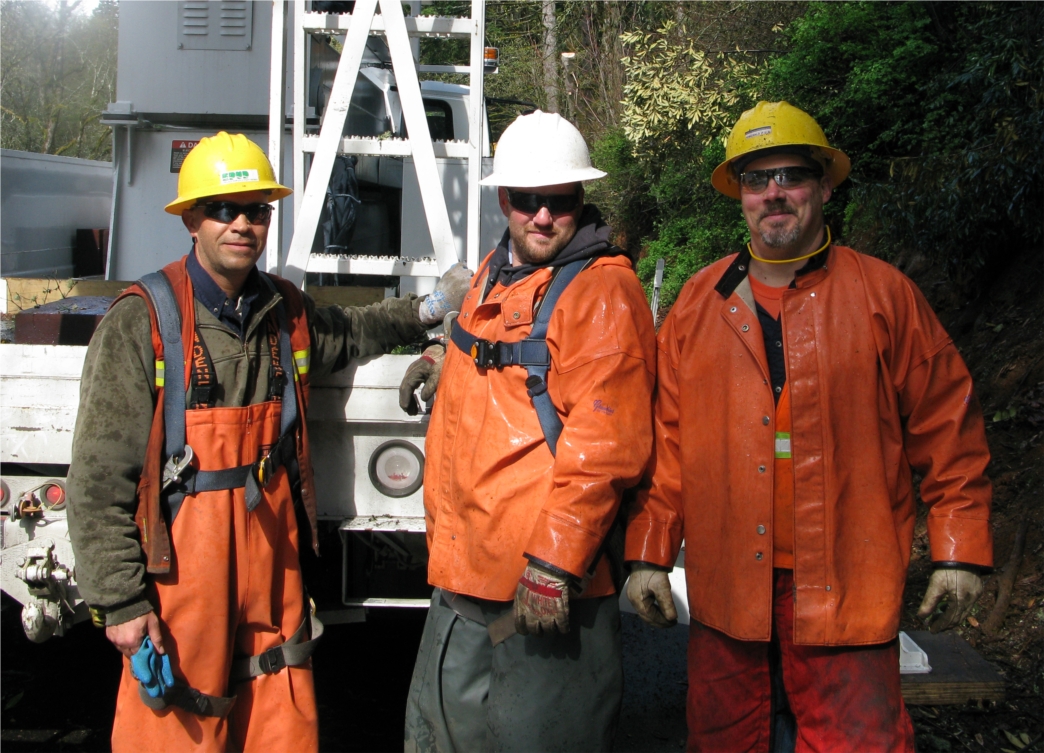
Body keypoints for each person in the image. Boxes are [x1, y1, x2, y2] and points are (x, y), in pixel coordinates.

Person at [66, 132, 468, 752]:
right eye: (226, 210)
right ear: (192, 219)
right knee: (177, 726)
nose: (243, 224)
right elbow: (98, 477)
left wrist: (432, 308)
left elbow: (353, 329)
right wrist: (118, 602)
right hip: (180, 565)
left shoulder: (284, 311)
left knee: (277, 714)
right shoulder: (143, 319)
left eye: (257, 210)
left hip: (270, 555)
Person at [624, 101, 993, 752]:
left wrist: (958, 548)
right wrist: (650, 552)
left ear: (824, 186)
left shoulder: (884, 297)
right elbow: (669, 446)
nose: (774, 193)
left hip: (846, 590)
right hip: (728, 594)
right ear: (738, 195)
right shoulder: (697, 306)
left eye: (791, 175)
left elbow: (948, 423)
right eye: (755, 179)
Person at [399, 110, 657, 753]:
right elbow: (501, 347)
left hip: (541, 589)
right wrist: (442, 356)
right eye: (526, 200)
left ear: (580, 199)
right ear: (503, 199)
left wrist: (552, 565)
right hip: (465, 574)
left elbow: (606, 449)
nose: (542, 216)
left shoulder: (601, 293)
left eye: (559, 201)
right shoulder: (499, 267)